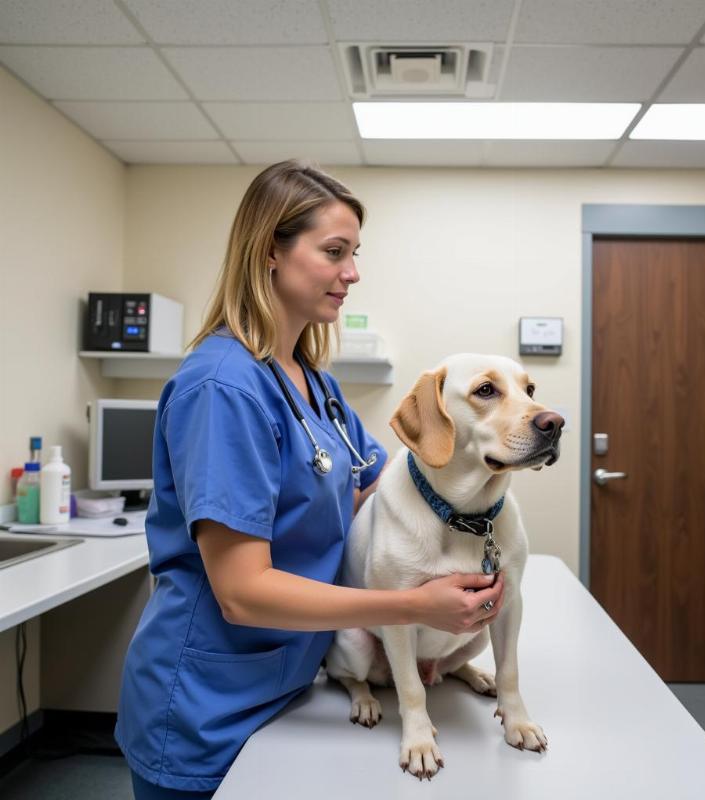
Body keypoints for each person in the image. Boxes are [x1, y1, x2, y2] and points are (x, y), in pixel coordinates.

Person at [114, 159, 506, 799]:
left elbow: (390, 479)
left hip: (291, 685)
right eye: (334, 252)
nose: (352, 273)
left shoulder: (314, 385)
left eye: (354, 254)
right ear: (271, 250)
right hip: (206, 707)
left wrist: (484, 439)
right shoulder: (222, 388)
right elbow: (243, 592)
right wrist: (414, 604)